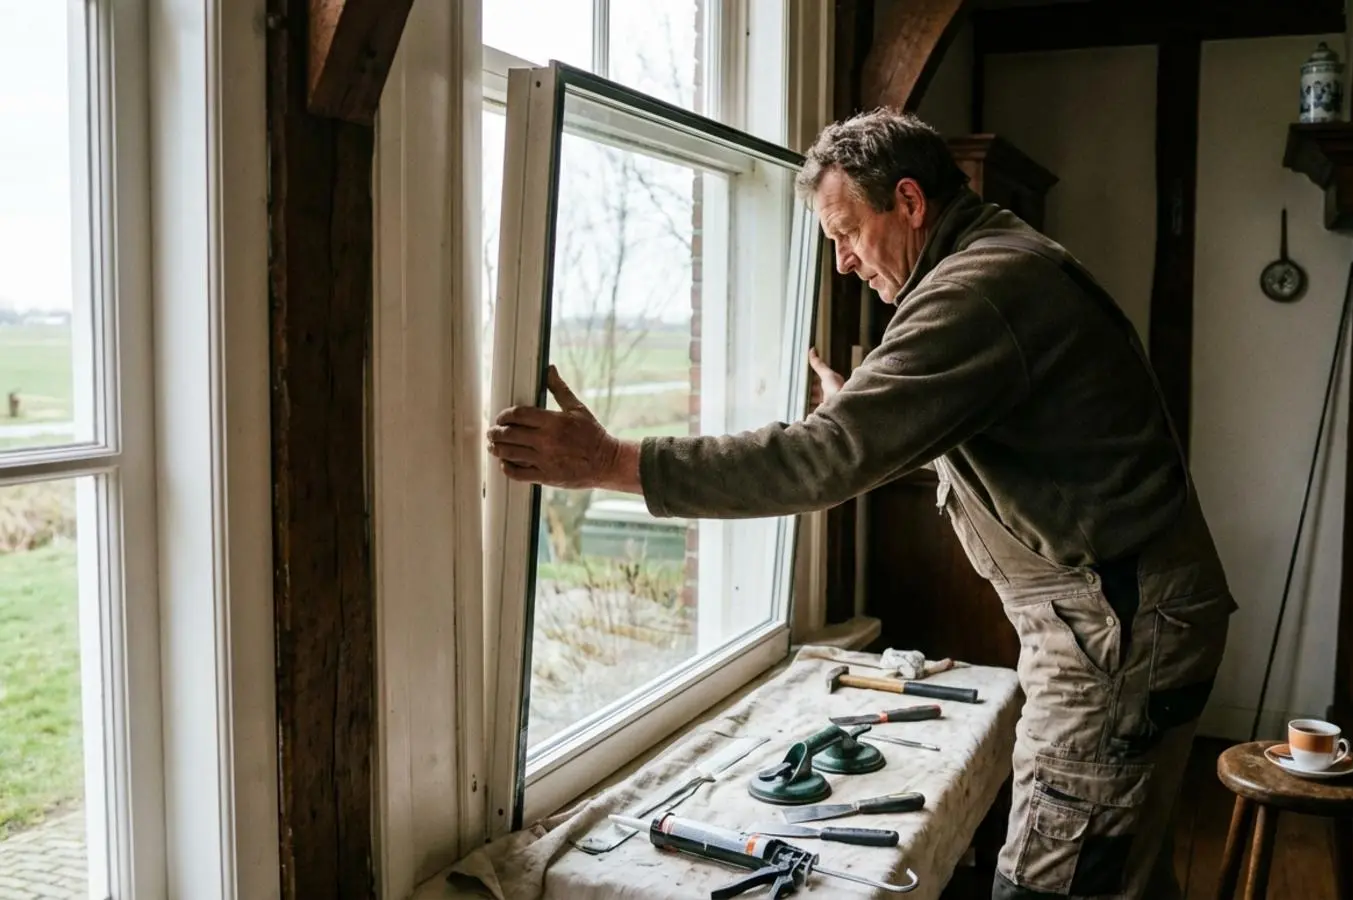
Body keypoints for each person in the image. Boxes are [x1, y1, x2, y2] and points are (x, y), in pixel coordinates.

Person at [487, 108, 1236, 900]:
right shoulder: (998, 254)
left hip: (1114, 632)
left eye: (846, 233)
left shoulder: (978, 291)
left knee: (1060, 877)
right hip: (1122, 614)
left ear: (909, 201)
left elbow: (819, 460)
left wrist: (611, 463)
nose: (842, 264)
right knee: (1116, 862)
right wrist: (875, 416)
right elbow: (997, 434)